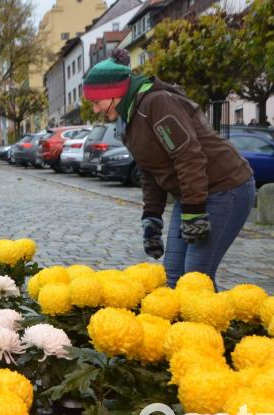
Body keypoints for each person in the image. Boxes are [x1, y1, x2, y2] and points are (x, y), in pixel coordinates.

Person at [82, 49, 255, 289]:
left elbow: (188, 156)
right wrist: (151, 218)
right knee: (173, 273)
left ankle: (213, 324)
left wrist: (194, 212)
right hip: (190, 193)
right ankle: (187, 325)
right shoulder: (129, 119)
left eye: (96, 102)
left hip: (225, 187)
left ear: (114, 92)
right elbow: (150, 171)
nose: (96, 110)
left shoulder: (156, 103)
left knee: (195, 277)